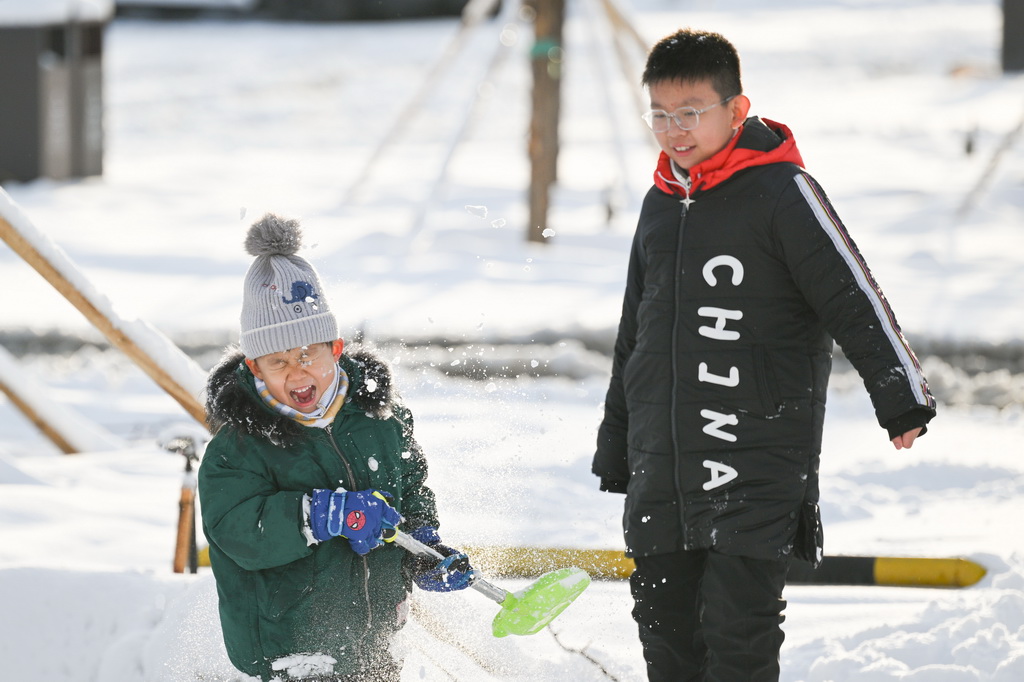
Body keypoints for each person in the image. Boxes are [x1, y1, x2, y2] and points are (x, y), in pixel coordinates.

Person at [591, 28, 936, 682]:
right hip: (662, 469)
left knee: (736, 636)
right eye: (660, 115)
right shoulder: (659, 205)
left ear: (736, 110)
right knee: (667, 639)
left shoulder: (784, 193)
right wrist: (617, 444)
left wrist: (901, 394)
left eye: (691, 112)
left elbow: (854, 295)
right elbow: (634, 333)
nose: (674, 130)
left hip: (755, 462)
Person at [199, 213, 472, 682]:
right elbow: (235, 530)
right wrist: (316, 515)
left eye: (309, 354)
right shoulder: (239, 445)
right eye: (278, 361)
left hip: (376, 639)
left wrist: (421, 547)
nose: (297, 373)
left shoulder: (380, 419)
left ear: (336, 347)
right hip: (289, 649)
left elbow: (410, 483)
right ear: (255, 367)